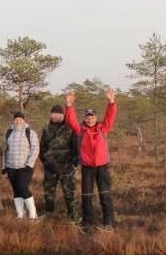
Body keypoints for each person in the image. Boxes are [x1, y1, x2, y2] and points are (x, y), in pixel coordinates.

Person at [65, 89, 118, 232]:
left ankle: (108, 223)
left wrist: (111, 102)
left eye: (92, 116)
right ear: (85, 118)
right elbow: (71, 120)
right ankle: (87, 223)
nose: (90, 119)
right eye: (88, 117)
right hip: (87, 167)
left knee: (105, 195)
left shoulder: (103, 128)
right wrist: (69, 106)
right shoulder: (80, 130)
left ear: (96, 117)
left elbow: (110, 117)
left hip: (102, 167)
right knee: (86, 196)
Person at [40, 104, 80, 223]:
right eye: (53, 113)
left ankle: (74, 217)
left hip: (66, 167)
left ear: (63, 115)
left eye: (57, 113)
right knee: (48, 193)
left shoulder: (70, 127)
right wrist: (45, 160)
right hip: (50, 167)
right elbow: (42, 146)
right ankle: (49, 214)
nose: (54, 116)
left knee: (69, 193)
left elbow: (75, 146)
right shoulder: (46, 128)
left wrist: (74, 162)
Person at [3, 111, 40, 219]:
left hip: (25, 167)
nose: (17, 121)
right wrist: (3, 166)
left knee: (23, 187)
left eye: (20, 119)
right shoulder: (9, 132)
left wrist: (30, 164)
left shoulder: (30, 132)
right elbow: (4, 150)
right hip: (11, 166)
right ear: (13, 120)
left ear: (24, 120)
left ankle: (33, 215)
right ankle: (20, 214)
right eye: (16, 119)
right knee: (16, 189)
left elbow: (35, 149)